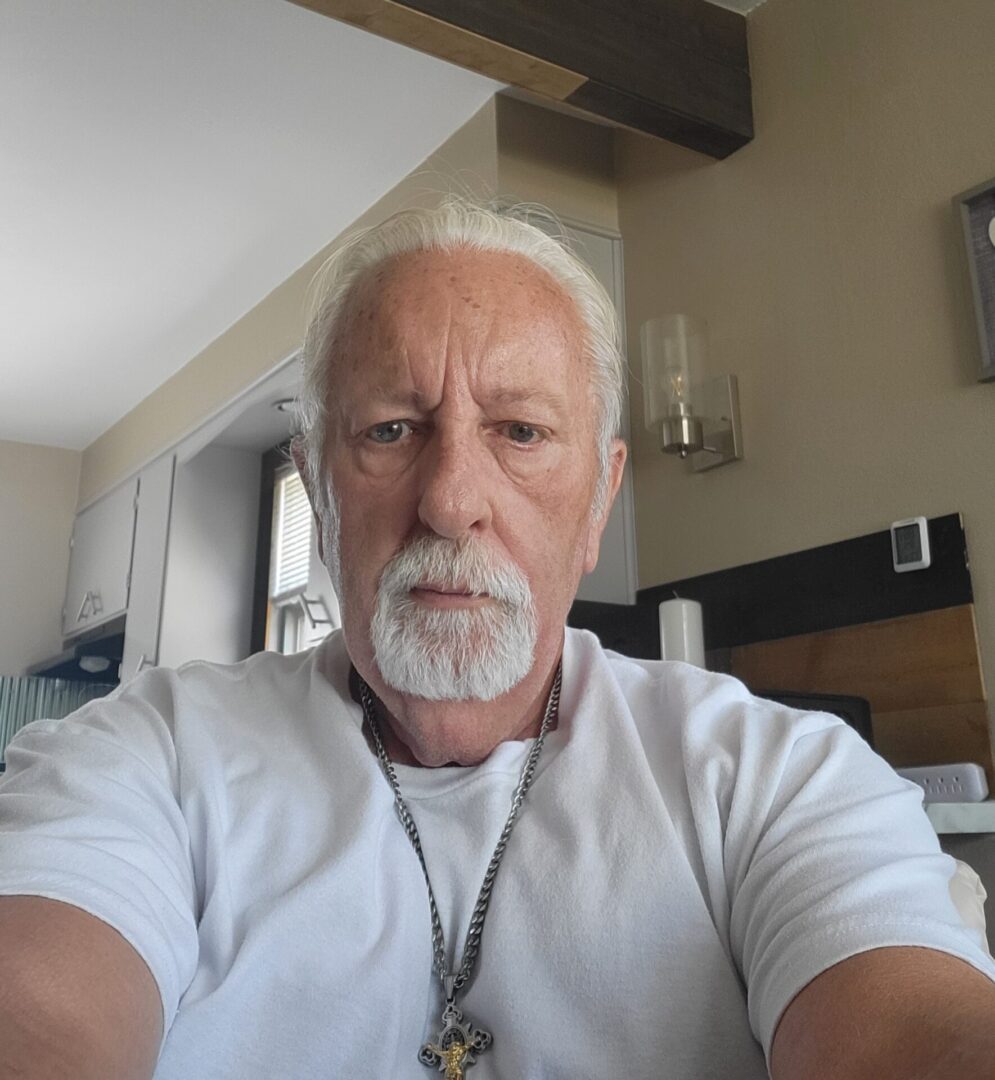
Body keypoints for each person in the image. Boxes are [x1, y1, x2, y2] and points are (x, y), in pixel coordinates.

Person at [1, 198, 994, 1080]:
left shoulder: (778, 780)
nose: (449, 500)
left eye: (518, 431)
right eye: (391, 429)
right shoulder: (143, 759)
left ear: (599, 497)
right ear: (316, 486)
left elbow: (911, 1024)